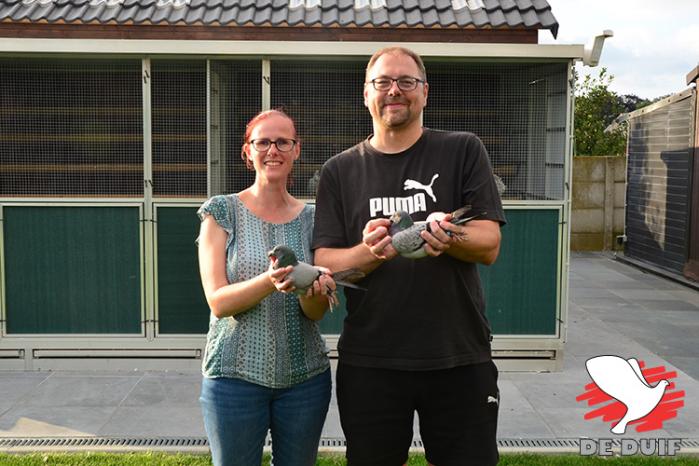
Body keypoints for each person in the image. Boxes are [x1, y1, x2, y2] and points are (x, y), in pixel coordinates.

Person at [312, 47, 506, 466]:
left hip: (458, 355)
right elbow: (326, 262)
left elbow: (489, 243)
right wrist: (372, 251)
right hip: (371, 360)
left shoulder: (463, 150)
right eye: (383, 82)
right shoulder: (339, 170)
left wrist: (447, 237)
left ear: (425, 93)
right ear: (366, 94)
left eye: (406, 82)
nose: (394, 90)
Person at [197, 109, 334, 466]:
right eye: (262, 142)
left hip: (305, 379)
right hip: (233, 377)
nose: (273, 150)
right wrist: (270, 281)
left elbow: (315, 313)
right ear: (247, 152)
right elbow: (218, 302)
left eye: (282, 142)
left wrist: (312, 290)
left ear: (296, 150)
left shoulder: (314, 218)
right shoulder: (221, 212)